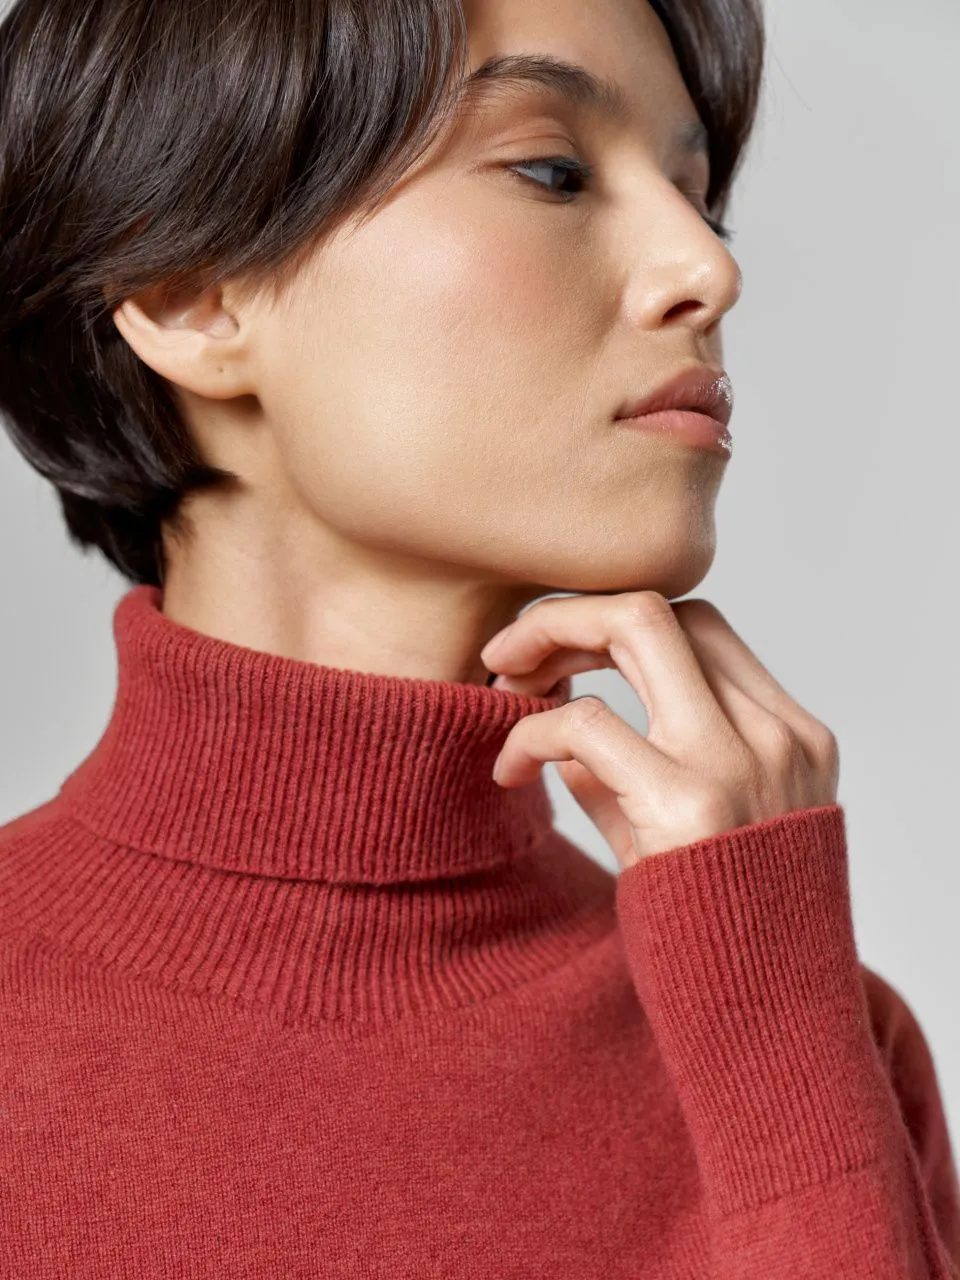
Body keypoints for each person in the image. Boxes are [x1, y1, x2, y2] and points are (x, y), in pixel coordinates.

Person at [1, 0, 958, 1274]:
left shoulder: (811, 1046)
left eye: (701, 200)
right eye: (553, 171)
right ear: (190, 293)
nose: (708, 269)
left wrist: (780, 1030)